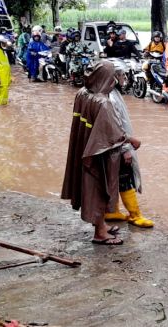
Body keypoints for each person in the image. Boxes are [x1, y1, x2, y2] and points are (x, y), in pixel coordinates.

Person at [61, 61, 131, 245]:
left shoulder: (82, 93)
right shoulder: (103, 103)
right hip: (100, 154)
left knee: (91, 188)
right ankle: (100, 233)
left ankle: (102, 224)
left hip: (84, 148)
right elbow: (114, 134)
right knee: (100, 188)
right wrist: (130, 143)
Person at [104, 65, 153, 227]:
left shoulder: (111, 93)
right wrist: (126, 148)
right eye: (122, 75)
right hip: (118, 147)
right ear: (114, 78)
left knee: (113, 178)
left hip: (112, 146)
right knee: (125, 179)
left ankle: (111, 211)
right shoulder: (111, 98)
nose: (125, 78)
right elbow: (116, 127)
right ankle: (135, 215)